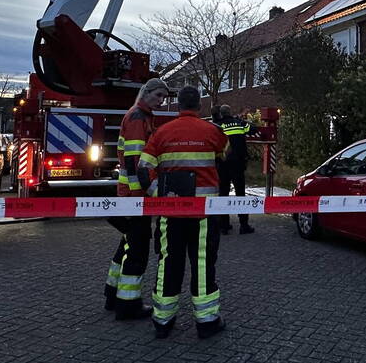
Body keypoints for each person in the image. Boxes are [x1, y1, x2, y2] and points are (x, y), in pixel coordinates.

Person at [137, 85, 229, 340]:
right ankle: (207, 321)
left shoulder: (161, 134)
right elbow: (224, 154)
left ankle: (163, 320)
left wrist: (161, 197)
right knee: (202, 264)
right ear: (199, 105)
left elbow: (143, 170)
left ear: (177, 105)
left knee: (169, 263)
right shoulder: (213, 131)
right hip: (204, 213)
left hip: (171, 213)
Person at [104, 77, 169, 321]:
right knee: (138, 250)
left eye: (164, 97)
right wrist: (147, 192)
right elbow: (134, 163)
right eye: (158, 96)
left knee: (127, 245)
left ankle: (112, 293)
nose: (161, 101)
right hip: (134, 197)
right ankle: (128, 305)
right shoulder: (138, 118)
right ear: (147, 93)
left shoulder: (140, 116)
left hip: (129, 196)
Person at [215, 104, 254, 235]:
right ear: (230, 112)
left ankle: (224, 226)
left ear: (221, 113)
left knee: (223, 194)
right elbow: (253, 129)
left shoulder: (217, 125)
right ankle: (244, 225)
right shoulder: (240, 123)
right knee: (240, 194)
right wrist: (243, 120)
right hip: (238, 164)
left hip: (222, 164)